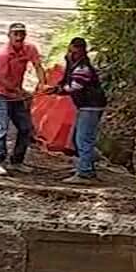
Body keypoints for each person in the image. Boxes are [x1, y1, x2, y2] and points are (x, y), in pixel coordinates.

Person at [0, 21, 48, 176]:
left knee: (26, 127)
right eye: (16, 34)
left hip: (16, 94)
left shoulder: (30, 49)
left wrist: (42, 85)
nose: (19, 37)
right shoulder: (3, 54)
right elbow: (2, 79)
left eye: (22, 34)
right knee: (1, 128)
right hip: (0, 93)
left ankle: (17, 161)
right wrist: (21, 92)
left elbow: (38, 66)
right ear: (9, 36)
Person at [49, 37, 107, 183]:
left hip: (91, 106)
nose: (72, 55)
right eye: (71, 51)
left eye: (75, 52)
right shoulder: (75, 65)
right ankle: (87, 164)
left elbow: (75, 86)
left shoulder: (83, 68)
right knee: (78, 138)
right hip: (86, 105)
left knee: (83, 139)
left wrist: (59, 90)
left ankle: (85, 172)